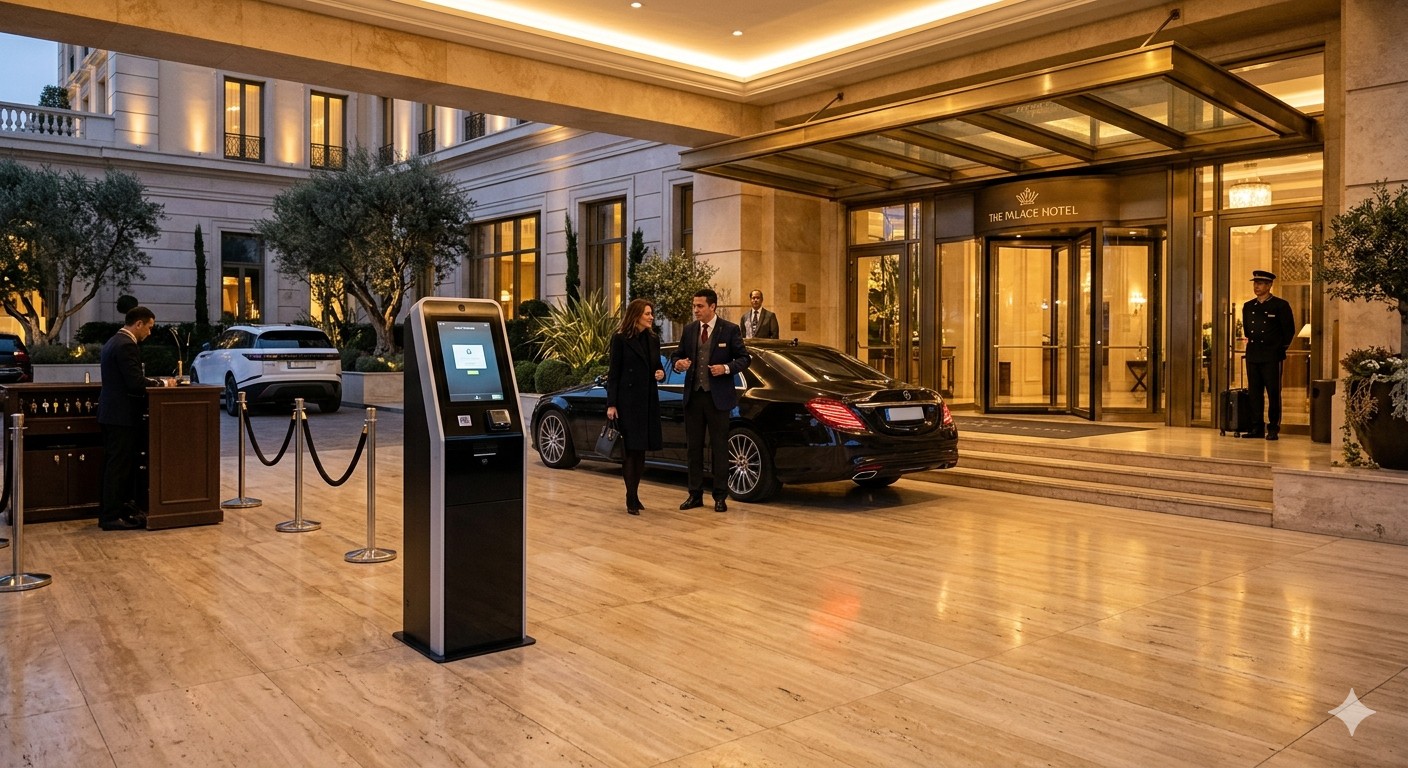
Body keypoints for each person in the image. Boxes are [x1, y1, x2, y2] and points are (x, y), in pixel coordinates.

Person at [670, 288, 751, 512]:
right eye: (694, 306)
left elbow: (745, 359)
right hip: (694, 397)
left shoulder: (730, 330)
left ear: (712, 307)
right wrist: (678, 363)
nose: (695, 310)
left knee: (719, 448)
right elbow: (676, 355)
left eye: (700, 306)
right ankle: (694, 494)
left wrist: (725, 368)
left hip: (718, 399)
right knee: (693, 448)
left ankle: (719, 496)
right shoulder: (689, 330)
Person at [97, 306, 163, 530]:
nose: (150, 333)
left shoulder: (113, 341)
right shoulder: (126, 345)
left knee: (114, 465)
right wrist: (161, 383)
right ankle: (110, 517)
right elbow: (135, 382)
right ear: (139, 324)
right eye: (149, 328)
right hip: (121, 415)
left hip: (112, 414)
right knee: (118, 467)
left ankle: (115, 511)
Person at [606, 298, 665, 515]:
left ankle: (635, 493)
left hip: (647, 399)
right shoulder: (620, 339)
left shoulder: (653, 339)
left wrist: (661, 373)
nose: (651, 317)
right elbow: (614, 373)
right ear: (636, 315)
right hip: (627, 401)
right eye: (647, 313)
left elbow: (657, 366)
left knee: (641, 452)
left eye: (652, 313)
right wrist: (611, 403)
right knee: (629, 451)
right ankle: (631, 497)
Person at [1242, 269, 1296, 440]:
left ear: (1269, 285)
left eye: (1260, 284)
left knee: (1273, 393)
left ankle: (1273, 427)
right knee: (1254, 393)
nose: (1256, 287)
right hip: (1253, 354)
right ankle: (1256, 427)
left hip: (1272, 355)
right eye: (1255, 284)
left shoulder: (1280, 305)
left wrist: (1279, 349)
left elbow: (1289, 331)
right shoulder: (1249, 306)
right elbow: (1247, 330)